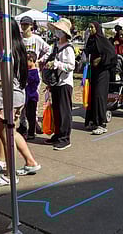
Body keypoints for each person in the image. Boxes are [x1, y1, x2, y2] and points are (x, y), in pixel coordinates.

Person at [0, 21, 41, 186]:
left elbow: (0, 80)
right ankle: (30, 161)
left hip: (6, 98)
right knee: (12, 133)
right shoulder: (19, 49)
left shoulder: (5, 53)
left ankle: (9, 174)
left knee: (6, 135)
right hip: (17, 95)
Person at [45, 18, 75, 150]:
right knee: (56, 110)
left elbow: (71, 66)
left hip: (64, 83)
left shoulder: (69, 48)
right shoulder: (56, 46)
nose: (57, 32)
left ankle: (65, 138)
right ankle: (58, 134)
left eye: (59, 30)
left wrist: (57, 64)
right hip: (56, 82)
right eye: (56, 30)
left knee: (64, 111)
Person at [18, 16, 51, 137]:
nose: (24, 27)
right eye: (23, 25)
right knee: (22, 100)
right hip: (21, 72)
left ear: (31, 26)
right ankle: (23, 124)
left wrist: (40, 61)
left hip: (33, 72)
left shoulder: (36, 39)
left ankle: (34, 122)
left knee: (32, 99)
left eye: (27, 25)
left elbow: (49, 49)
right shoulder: (19, 39)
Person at [84, 22, 117, 133]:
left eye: (92, 27)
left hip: (103, 71)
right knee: (92, 95)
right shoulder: (91, 39)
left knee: (99, 95)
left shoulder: (102, 40)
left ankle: (101, 124)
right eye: (89, 27)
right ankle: (93, 120)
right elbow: (87, 51)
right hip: (93, 71)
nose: (90, 29)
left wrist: (101, 59)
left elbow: (112, 54)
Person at [25, 51, 40, 140]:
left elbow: (34, 81)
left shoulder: (34, 72)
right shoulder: (29, 71)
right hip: (28, 96)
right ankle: (31, 130)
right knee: (28, 114)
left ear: (31, 60)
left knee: (31, 115)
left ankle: (31, 132)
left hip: (32, 97)